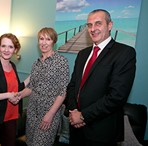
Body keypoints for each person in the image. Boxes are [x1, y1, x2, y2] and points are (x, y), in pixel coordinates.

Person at [66, 9, 136, 146]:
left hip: (101, 133)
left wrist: (82, 116)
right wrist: (74, 111)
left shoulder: (124, 53)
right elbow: (72, 86)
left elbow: (117, 96)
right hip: (76, 130)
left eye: (98, 23)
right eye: (89, 25)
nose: (93, 29)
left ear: (110, 25)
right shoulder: (82, 54)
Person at [18, 27, 70, 146]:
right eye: (41, 39)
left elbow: (63, 92)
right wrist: (19, 95)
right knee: (30, 143)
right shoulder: (36, 63)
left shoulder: (61, 62)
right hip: (32, 112)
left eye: (48, 39)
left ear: (54, 42)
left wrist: (50, 114)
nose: (44, 42)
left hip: (48, 113)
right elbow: (31, 88)